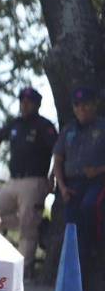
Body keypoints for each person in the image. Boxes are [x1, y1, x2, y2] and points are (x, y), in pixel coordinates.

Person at [0, 87, 58, 273]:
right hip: (13, 180)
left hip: (34, 180)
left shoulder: (45, 126)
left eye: (29, 101)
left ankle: (22, 271)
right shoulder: (15, 124)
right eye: (22, 101)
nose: (25, 104)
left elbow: (58, 152)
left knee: (28, 229)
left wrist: (53, 177)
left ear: (37, 104)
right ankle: (37, 225)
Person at [53, 87, 105, 259]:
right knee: (71, 221)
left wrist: (98, 170)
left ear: (94, 105)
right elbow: (58, 160)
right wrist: (61, 187)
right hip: (71, 184)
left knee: (89, 207)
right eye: (77, 105)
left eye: (86, 104)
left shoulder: (102, 127)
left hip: (98, 182)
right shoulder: (68, 130)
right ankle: (77, 263)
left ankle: (95, 249)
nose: (82, 108)